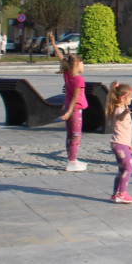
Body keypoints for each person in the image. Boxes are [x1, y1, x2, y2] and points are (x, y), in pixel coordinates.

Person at [48, 29, 88, 171]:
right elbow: (75, 98)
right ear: (77, 64)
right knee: (76, 136)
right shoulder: (78, 79)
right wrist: (69, 112)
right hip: (74, 110)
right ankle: (72, 162)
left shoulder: (67, 74)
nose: (83, 66)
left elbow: (61, 59)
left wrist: (53, 43)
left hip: (68, 108)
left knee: (70, 135)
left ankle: (72, 159)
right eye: (82, 63)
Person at [106, 82, 132, 203]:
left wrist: (129, 145)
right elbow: (121, 117)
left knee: (122, 169)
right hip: (119, 145)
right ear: (123, 98)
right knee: (129, 168)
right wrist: (126, 112)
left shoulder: (118, 108)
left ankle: (115, 193)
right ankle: (122, 193)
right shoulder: (119, 109)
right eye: (130, 97)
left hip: (121, 144)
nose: (131, 99)